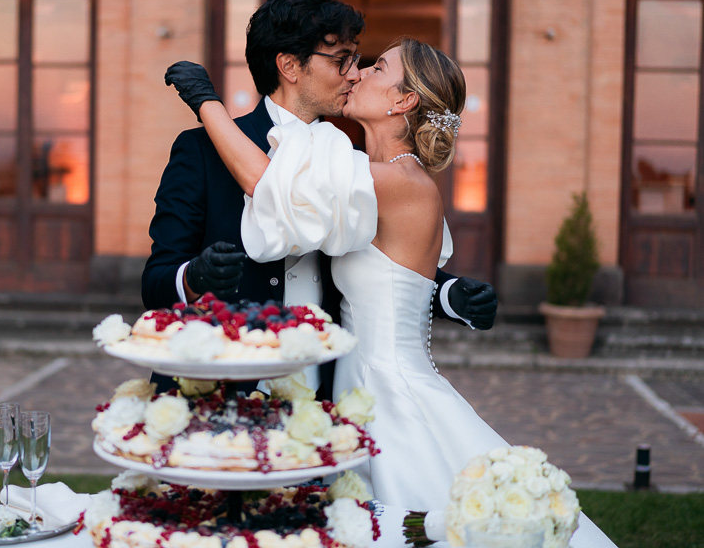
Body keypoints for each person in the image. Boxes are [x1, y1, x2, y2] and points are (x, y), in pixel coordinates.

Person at [166, 37, 617, 547]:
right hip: (351, 386)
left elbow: (270, 187)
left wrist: (208, 103)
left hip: (387, 394)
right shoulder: (372, 171)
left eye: (377, 67)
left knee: (410, 522)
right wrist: (448, 296)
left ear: (403, 101)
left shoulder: (398, 182)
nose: (357, 74)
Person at [142, 0, 497, 396]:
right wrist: (193, 278)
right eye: (342, 59)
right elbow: (155, 282)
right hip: (221, 390)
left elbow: (379, 269)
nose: (355, 72)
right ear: (290, 66)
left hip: (324, 395)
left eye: (360, 60)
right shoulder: (201, 151)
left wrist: (447, 291)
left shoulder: (353, 163)